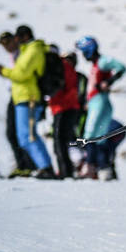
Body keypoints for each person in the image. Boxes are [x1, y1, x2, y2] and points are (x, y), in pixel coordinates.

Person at [0, 25, 56, 179]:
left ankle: (45, 167)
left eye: (17, 37)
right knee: (24, 135)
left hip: (29, 97)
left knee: (28, 135)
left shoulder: (33, 50)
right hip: (23, 97)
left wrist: (4, 71)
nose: (16, 40)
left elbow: (21, 74)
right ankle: (41, 167)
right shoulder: (28, 50)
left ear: (25, 36)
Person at [74, 36, 126, 180]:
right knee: (100, 138)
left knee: (89, 136)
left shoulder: (102, 62)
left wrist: (108, 82)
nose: (83, 56)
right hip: (96, 102)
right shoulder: (96, 65)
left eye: (84, 52)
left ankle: (90, 168)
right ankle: (104, 169)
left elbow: (121, 68)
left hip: (100, 101)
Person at [0, 31, 37, 177]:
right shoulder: (15, 55)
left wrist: (4, 72)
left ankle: (28, 165)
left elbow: (22, 74)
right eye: (3, 44)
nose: (5, 47)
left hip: (24, 96)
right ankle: (23, 164)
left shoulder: (23, 53)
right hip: (16, 95)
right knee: (13, 133)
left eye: (7, 43)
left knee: (22, 133)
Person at [48, 49, 82, 178]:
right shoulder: (66, 69)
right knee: (61, 141)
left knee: (60, 141)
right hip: (64, 108)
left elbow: (70, 90)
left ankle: (65, 172)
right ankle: (65, 170)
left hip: (64, 108)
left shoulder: (65, 68)